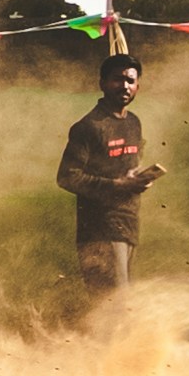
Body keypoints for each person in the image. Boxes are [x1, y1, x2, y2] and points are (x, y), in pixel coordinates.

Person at [58, 41, 161, 294]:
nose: (124, 86)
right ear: (102, 83)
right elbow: (67, 177)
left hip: (129, 223)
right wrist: (117, 185)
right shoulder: (88, 127)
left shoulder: (134, 123)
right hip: (99, 229)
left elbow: (129, 164)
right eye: (117, 79)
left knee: (113, 301)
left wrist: (137, 177)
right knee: (115, 303)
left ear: (138, 86)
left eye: (130, 80)